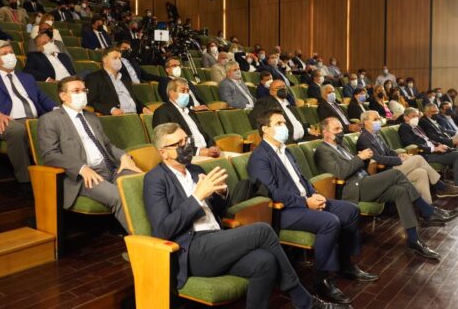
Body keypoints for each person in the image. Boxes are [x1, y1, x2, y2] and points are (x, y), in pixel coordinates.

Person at [144, 123, 342, 309]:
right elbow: (162, 229)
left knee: (265, 262)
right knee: (263, 230)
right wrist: (197, 197)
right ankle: (304, 300)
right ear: (163, 152)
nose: (185, 145)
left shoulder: (196, 170)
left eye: (186, 140)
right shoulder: (155, 179)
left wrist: (221, 193)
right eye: (178, 144)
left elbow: (220, 211)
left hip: (218, 239)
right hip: (192, 250)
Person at [248, 110, 378, 304]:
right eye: (279, 123)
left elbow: (302, 179)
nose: (285, 126)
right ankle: (321, 280)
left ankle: (345, 264)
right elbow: (273, 193)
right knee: (330, 222)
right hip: (283, 210)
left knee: (351, 211)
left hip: (305, 200)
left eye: (284, 122)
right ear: (265, 129)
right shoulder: (260, 157)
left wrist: (314, 193)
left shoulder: (286, 150)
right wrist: (305, 202)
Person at [315, 117, 454, 260]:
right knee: (396, 174)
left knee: (400, 191)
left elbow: (357, 166)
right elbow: (341, 173)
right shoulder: (322, 150)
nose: (341, 132)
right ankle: (428, 210)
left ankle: (414, 240)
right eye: (336, 129)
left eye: (341, 128)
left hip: (365, 181)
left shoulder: (342, 146)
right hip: (353, 189)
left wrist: (365, 158)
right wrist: (359, 157)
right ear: (325, 132)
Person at [37, 75, 142, 229]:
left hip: (111, 169)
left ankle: (163, 232)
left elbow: (107, 145)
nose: (82, 94)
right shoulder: (49, 119)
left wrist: (124, 156)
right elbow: (50, 155)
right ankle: (144, 240)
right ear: (63, 96)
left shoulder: (92, 117)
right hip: (83, 176)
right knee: (120, 196)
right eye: (76, 91)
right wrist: (81, 168)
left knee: (142, 184)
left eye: (84, 90)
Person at [0, 40, 57, 186]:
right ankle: (25, 181)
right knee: (18, 130)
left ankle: (57, 175)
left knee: (61, 123)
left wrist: (57, 109)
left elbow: (42, 98)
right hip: (8, 120)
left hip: (34, 119)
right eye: (5, 53)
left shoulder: (26, 77)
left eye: (11, 52)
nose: (10, 55)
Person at [357, 110, 458, 203]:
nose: (378, 121)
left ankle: (428, 209)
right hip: (384, 173)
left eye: (379, 119)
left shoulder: (375, 134)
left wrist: (400, 154)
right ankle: (442, 188)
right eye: (375, 119)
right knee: (418, 158)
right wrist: (399, 159)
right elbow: (378, 159)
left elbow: (388, 151)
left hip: (391, 166)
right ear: (365, 122)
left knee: (421, 173)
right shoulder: (364, 139)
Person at [399, 107, 458, 197]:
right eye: (413, 116)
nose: (416, 118)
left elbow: (428, 139)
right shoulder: (404, 128)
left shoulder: (416, 126)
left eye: (417, 116)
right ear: (405, 117)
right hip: (425, 154)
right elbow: (412, 145)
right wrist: (433, 149)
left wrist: (439, 145)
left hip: (434, 149)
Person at [153, 78, 220, 158]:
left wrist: (212, 146)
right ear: (171, 93)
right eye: (183, 90)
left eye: (187, 91)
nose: (186, 94)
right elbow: (168, 143)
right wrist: (199, 151)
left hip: (206, 151)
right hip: (187, 156)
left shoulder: (190, 111)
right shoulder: (162, 112)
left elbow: (201, 132)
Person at [85, 47, 151, 116]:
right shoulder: (94, 77)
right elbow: (89, 101)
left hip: (135, 115)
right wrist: (111, 110)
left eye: (119, 58)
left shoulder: (125, 78)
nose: (118, 61)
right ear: (104, 59)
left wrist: (143, 108)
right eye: (115, 58)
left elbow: (133, 98)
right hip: (117, 117)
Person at [249, 80, 318, 143]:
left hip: (303, 137)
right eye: (278, 87)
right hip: (288, 142)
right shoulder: (266, 102)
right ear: (271, 92)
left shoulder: (288, 104)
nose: (282, 89)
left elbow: (295, 122)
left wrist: (308, 130)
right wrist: (270, 135)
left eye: (284, 86)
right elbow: (254, 118)